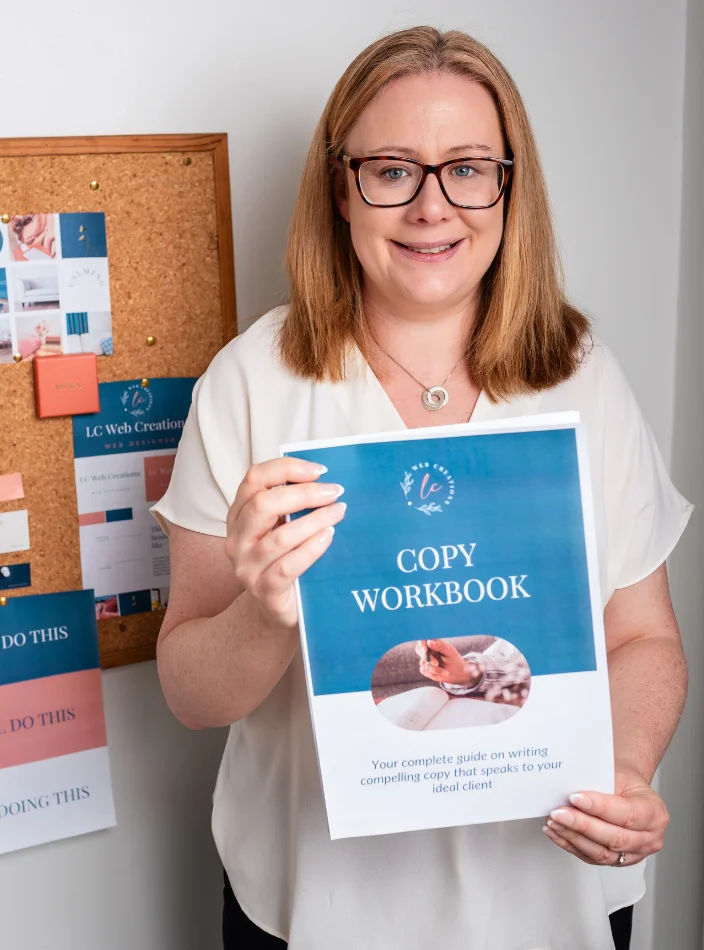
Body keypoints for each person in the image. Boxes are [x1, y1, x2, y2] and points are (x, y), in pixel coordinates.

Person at [152, 26, 692, 950]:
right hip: (315, 907)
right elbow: (192, 695)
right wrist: (268, 612)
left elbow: (644, 638)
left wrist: (630, 772)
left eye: (468, 169)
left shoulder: (582, 374)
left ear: (509, 188)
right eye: (393, 170)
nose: (432, 207)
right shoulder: (250, 385)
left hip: (551, 900)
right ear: (341, 188)